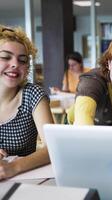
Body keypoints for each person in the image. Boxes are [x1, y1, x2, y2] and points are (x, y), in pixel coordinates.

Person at [0, 25, 54, 180]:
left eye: (22, 60)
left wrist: (13, 167)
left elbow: (53, 148)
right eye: (5, 57)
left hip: (25, 179)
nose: (15, 64)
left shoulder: (32, 94)